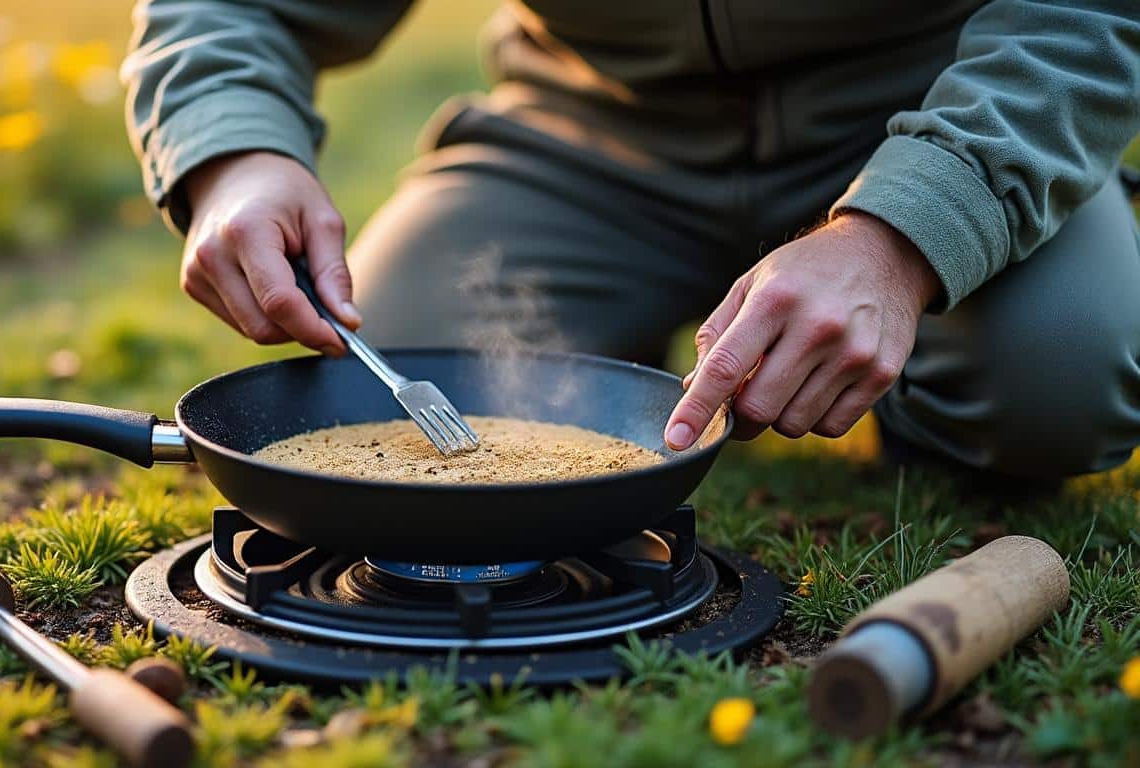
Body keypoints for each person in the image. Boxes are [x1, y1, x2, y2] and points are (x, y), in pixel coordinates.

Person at [123, 1, 1140, 480]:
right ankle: (645, 359)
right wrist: (234, 152)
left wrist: (904, 239)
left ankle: (899, 382)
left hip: (931, 112)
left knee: (1059, 377)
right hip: (595, 133)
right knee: (385, 350)